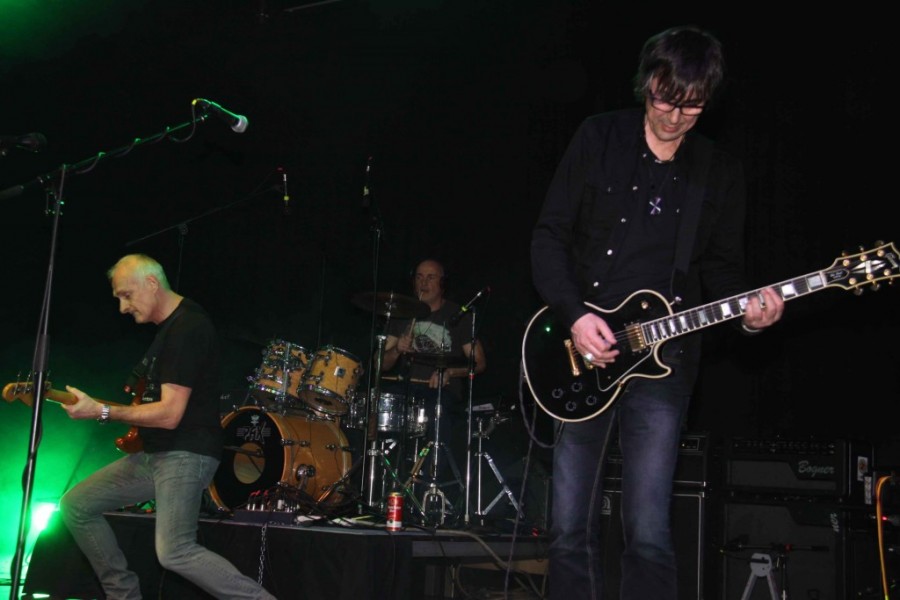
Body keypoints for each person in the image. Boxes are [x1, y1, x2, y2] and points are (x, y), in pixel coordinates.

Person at [530, 26, 784, 599]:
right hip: (584, 349)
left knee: (647, 530)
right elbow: (548, 236)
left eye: (692, 106)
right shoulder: (599, 137)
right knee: (569, 527)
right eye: (666, 100)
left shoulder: (718, 171)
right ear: (647, 83)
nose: (674, 117)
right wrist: (575, 316)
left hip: (664, 360)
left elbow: (723, 270)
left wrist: (750, 314)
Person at [58, 254, 276, 600]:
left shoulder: (189, 328)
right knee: (76, 505)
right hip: (156, 454)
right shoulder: (169, 330)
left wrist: (101, 411)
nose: (122, 308)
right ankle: (124, 595)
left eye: (126, 295)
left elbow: (171, 414)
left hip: (185, 454)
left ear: (151, 283)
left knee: (175, 551)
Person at [378, 258, 487, 516]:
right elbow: (380, 364)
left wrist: (451, 372)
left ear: (442, 283)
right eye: (419, 277)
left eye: (430, 277)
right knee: (377, 410)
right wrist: (396, 350)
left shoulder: (457, 316)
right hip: (406, 388)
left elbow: (480, 363)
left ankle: (429, 492)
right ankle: (383, 492)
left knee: (438, 413)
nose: (423, 282)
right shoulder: (403, 313)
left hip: (440, 392)